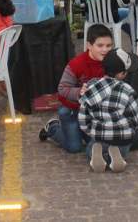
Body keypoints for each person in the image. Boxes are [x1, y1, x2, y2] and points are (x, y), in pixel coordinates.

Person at [38, 24, 113, 153]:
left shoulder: (112, 62)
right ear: (89, 45)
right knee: (74, 147)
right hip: (71, 110)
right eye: (100, 46)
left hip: (92, 113)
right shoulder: (76, 64)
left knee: (94, 144)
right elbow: (62, 88)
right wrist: (79, 92)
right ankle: (53, 127)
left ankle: (79, 131)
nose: (105, 50)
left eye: (109, 46)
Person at [78, 48, 138, 173]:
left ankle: (97, 154)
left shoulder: (92, 86)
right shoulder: (127, 90)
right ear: (121, 74)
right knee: (125, 144)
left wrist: (91, 131)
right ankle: (117, 156)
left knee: (91, 148)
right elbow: (137, 117)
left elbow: (83, 118)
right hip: (121, 138)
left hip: (99, 136)